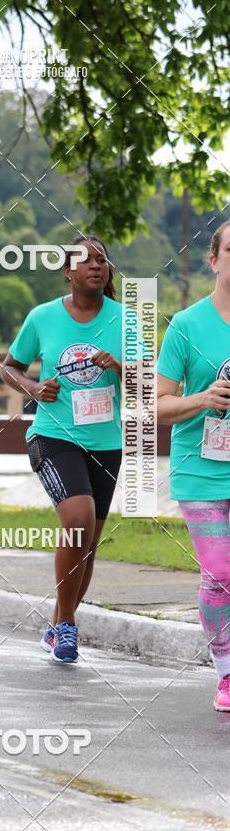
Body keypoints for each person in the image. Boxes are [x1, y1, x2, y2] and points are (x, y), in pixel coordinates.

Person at [2, 236, 123, 664]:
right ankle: (68, 625)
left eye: (102, 259)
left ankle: (57, 625)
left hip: (106, 442)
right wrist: (34, 388)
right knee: (78, 520)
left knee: (88, 541)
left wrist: (118, 366)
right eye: (85, 260)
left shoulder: (125, 320)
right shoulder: (43, 317)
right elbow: (10, 368)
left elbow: (149, 381)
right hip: (54, 436)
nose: (95, 265)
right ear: (68, 272)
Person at [157, 221, 230, 713]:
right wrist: (203, 398)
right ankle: (226, 672)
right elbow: (158, 404)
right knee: (221, 572)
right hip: (200, 468)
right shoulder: (186, 325)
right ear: (214, 259)